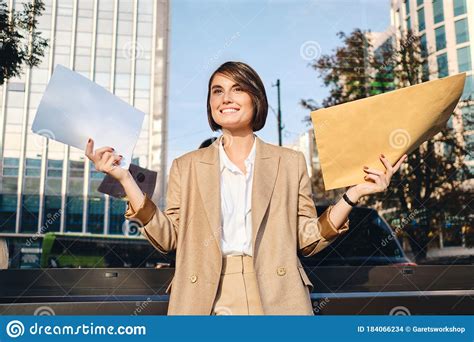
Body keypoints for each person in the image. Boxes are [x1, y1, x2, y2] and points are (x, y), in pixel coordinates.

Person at [85, 61, 407, 315]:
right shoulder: (187, 165)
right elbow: (169, 237)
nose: (225, 98)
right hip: (205, 297)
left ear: (256, 99)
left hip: (278, 296)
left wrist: (353, 194)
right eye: (217, 91)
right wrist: (126, 179)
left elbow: (307, 240)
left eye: (237, 89)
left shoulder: (290, 162)